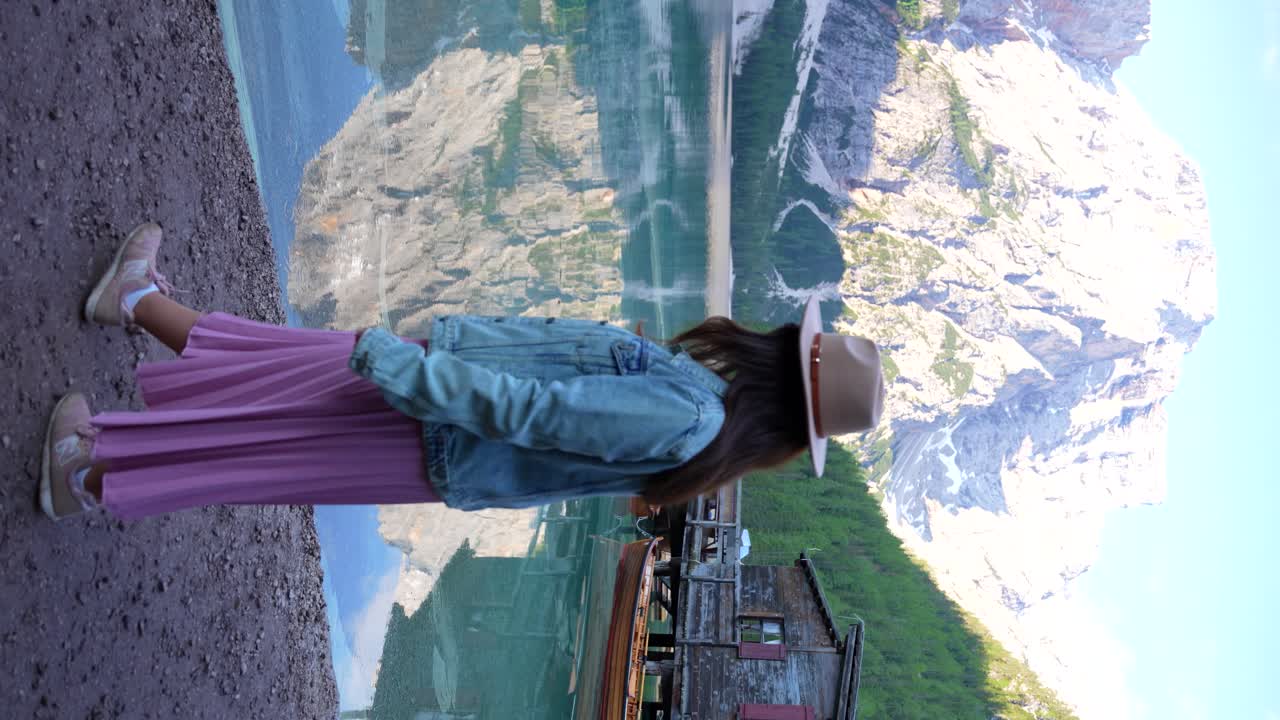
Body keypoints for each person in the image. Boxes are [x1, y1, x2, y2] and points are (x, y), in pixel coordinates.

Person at [40, 223, 886, 520]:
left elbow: (533, 415)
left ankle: (84, 478)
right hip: (433, 402)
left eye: (790, 340)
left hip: (431, 417)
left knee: (263, 446)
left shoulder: (690, 420)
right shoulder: (698, 405)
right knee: (276, 372)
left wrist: (398, 368)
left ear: (783, 369)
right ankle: (137, 300)